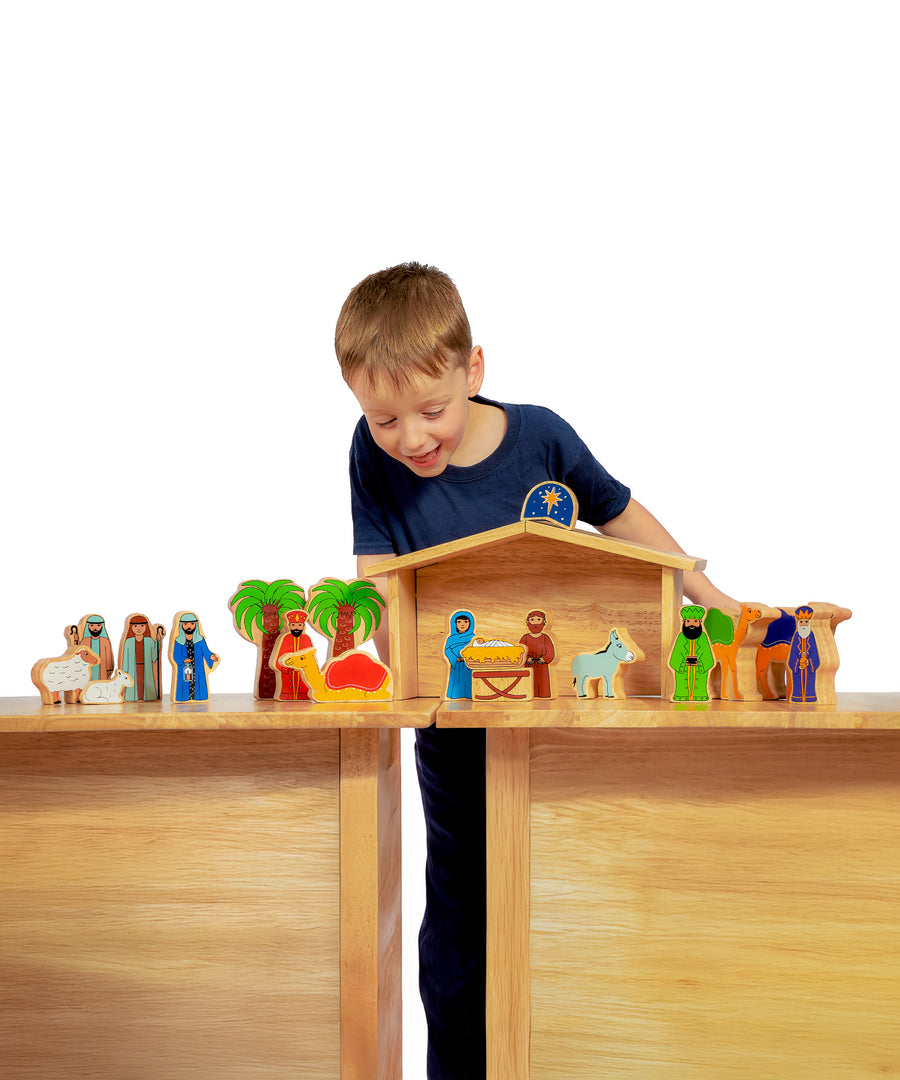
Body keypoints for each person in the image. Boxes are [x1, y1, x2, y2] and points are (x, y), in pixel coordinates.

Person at [335, 261, 737, 1080]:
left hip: (571, 736)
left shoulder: (542, 436)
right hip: (454, 738)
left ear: (473, 368)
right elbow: (377, 570)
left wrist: (716, 599)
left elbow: (621, 515)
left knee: (568, 904)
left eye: (431, 411)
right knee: (459, 921)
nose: (411, 439)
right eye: (384, 419)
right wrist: (394, 661)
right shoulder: (368, 454)